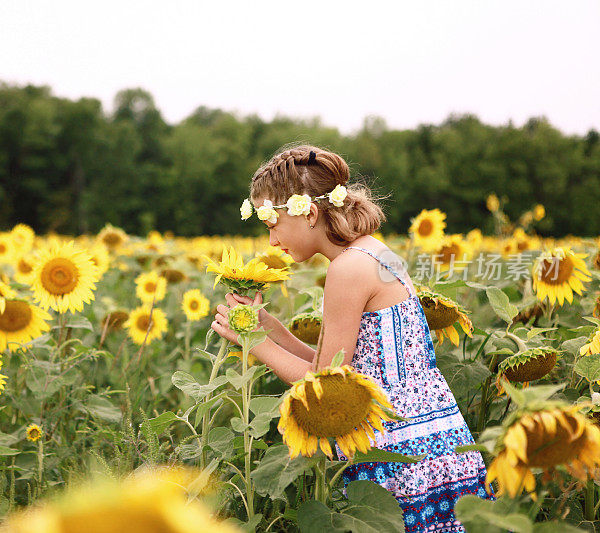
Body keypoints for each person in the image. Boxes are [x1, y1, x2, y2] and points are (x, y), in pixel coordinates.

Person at [210, 145, 491, 532]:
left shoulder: (346, 270)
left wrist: (254, 346)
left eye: (272, 224)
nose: (271, 241)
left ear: (309, 214)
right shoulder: (375, 252)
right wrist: (270, 329)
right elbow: (353, 362)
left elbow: (325, 385)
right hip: (434, 433)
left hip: (394, 445)